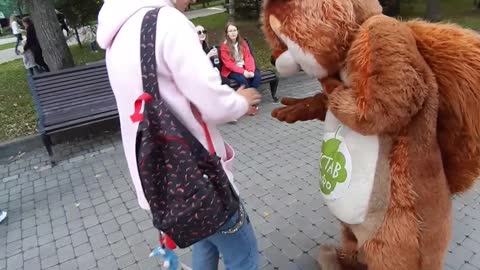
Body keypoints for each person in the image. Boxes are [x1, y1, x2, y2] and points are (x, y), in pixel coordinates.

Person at [96, 1, 261, 269]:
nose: (193, 1)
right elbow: (211, 103)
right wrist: (240, 101)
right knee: (244, 255)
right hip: (199, 176)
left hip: (162, 181)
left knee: (205, 242)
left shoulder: (117, 31)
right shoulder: (166, 22)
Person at [219, 22, 261, 90]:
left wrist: (250, 71)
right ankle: (248, 97)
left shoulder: (242, 43)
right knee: (243, 80)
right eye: (230, 31)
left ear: (237, 31)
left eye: (234, 30)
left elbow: (248, 57)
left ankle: (251, 94)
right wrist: (243, 72)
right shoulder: (224, 46)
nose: (233, 33)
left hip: (245, 67)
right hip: (231, 70)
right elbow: (229, 64)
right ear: (227, 33)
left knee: (257, 76)